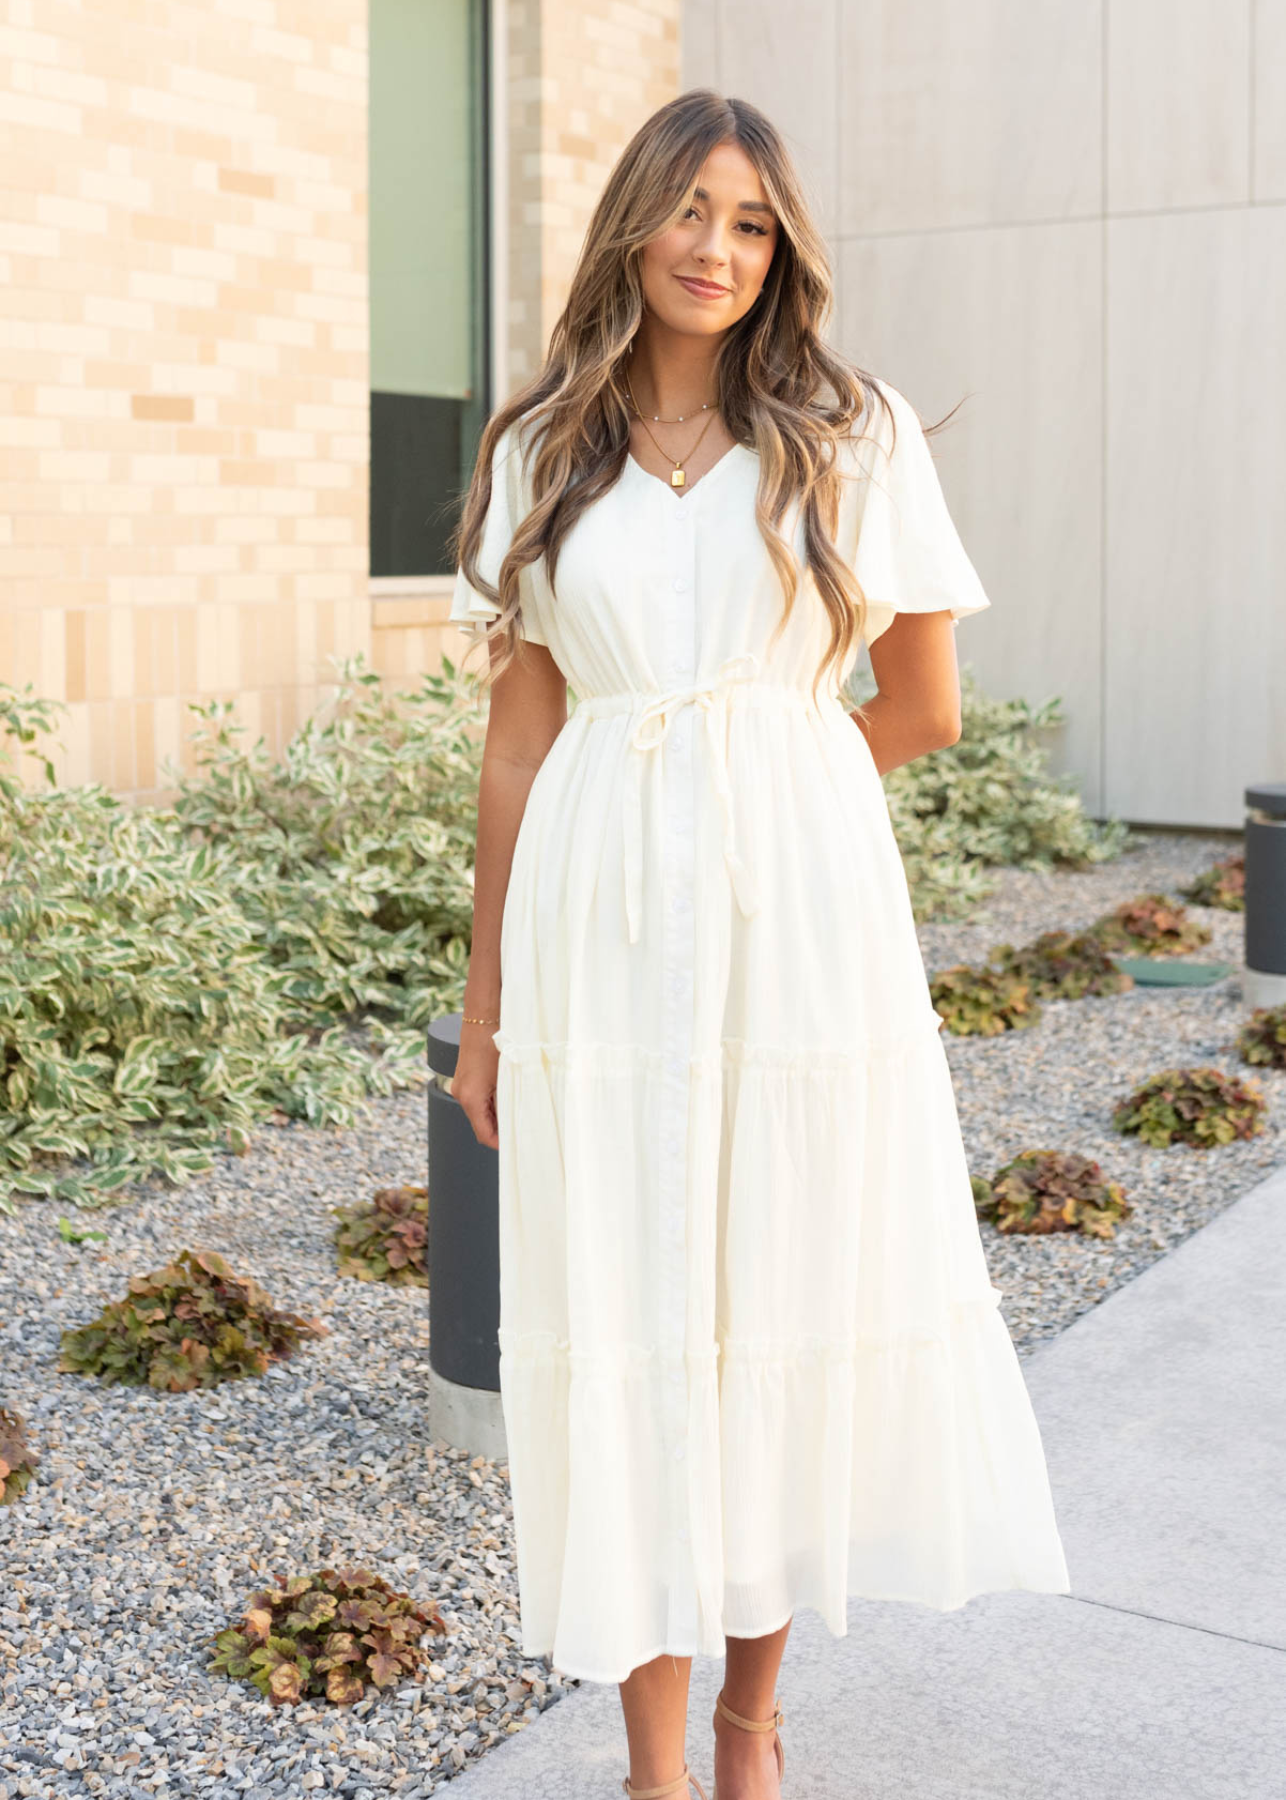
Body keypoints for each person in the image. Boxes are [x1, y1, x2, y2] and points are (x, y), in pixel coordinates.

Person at [447, 88, 1070, 1800]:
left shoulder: (847, 431)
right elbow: (514, 743)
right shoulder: (536, 450)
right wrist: (483, 1009)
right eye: (690, 212)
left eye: (750, 222)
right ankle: (658, 1767)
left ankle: (748, 1718)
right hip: (592, 915)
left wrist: (759, 789)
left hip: (796, 915)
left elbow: (922, 707)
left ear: (780, 246)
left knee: (774, 1283)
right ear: (631, 222)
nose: (716, 250)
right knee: (627, 1303)